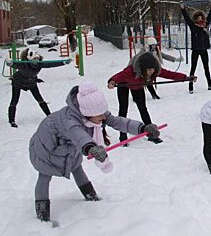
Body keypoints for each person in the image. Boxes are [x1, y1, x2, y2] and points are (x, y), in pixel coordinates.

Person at [29, 82, 161, 222]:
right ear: (87, 113)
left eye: (104, 113)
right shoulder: (70, 120)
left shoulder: (96, 112)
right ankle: (42, 212)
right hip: (47, 148)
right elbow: (78, 134)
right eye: (100, 115)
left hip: (70, 146)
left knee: (76, 168)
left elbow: (117, 122)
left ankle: (91, 196)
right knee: (45, 174)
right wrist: (91, 147)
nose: (103, 118)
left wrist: (143, 128)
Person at [108, 52, 193, 144]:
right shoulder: (131, 71)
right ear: (142, 68)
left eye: (152, 69)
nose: (151, 72)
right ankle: (123, 136)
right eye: (148, 70)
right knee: (123, 109)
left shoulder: (156, 70)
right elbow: (118, 76)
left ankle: (151, 133)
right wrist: (112, 82)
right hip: (124, 84)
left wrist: (185, 78)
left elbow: (169, 74)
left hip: (138, 86)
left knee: (143, 109)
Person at [5, 49, 71, 128]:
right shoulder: (24, 64)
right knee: (14, 100)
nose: (36, 61)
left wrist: (63, 62)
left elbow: (51, 64)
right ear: (29, 59)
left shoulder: (40, 64)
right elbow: (15, 65)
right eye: (34, 59)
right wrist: (10, 63)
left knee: (40, 99)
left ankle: (49, 116)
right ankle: (11, 120)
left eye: (37, 59)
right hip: (18, 82)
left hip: (31, 83)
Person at [181, 1, 211, 93]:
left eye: (201, 17)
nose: (200, 19)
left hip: (204, 50)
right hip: (195, 50)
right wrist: (183, 9)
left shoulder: (205, 25)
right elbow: (186, 18)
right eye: (198, 17)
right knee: (193, 67)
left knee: (206, 67)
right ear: (195, 18)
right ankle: (190, 85)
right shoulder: (193, 26)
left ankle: (210, 84)